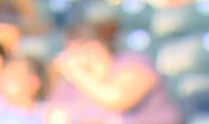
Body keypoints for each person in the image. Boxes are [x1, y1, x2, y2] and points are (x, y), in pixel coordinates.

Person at [49, 17, 182, 124]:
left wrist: (76, 73)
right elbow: (56, 116)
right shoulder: (69, 87)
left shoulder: (133, 63)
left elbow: (116, 99)